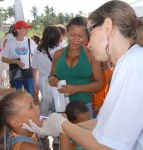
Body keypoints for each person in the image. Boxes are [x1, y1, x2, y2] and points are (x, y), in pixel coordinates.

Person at [22, 1, 143, 150]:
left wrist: (62, 125)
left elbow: (107, 146)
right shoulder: (132, 61)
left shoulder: (132, 65)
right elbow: (105, 122)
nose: (89, 44)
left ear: (108, 26)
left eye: (89, 33)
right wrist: (61, 127)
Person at [48, 16, 103, 118]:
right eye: (72, 35)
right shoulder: (58, 54)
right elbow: (52, 75)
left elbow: (99, 83)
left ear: (87, 36)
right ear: (67, 33)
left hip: (83, 108)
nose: (76, 40)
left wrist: (76, 89)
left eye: (80, 36)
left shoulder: (91, 55)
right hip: (60, 105)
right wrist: (52, 78)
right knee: (61, 133)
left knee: (82, 133)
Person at [31, 25, 62, 150]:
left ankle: (41, 132)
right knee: (57, 108)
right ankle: (56, 135)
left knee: (45, 107)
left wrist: (35, 84)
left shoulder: (38, 51)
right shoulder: (61, 49)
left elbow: (35, 68)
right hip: (58, 80)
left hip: (44, 81)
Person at [2, 20, 37, 97]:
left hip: (28, 72)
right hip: (15, 72)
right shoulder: (10, 42)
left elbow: (37, 53)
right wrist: (16, 62)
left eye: (27, 28)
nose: (26, 30)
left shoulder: (30, 41)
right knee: (17, 96)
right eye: (24, 28)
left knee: (30, 94)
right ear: (17, 30)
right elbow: (3, 59)